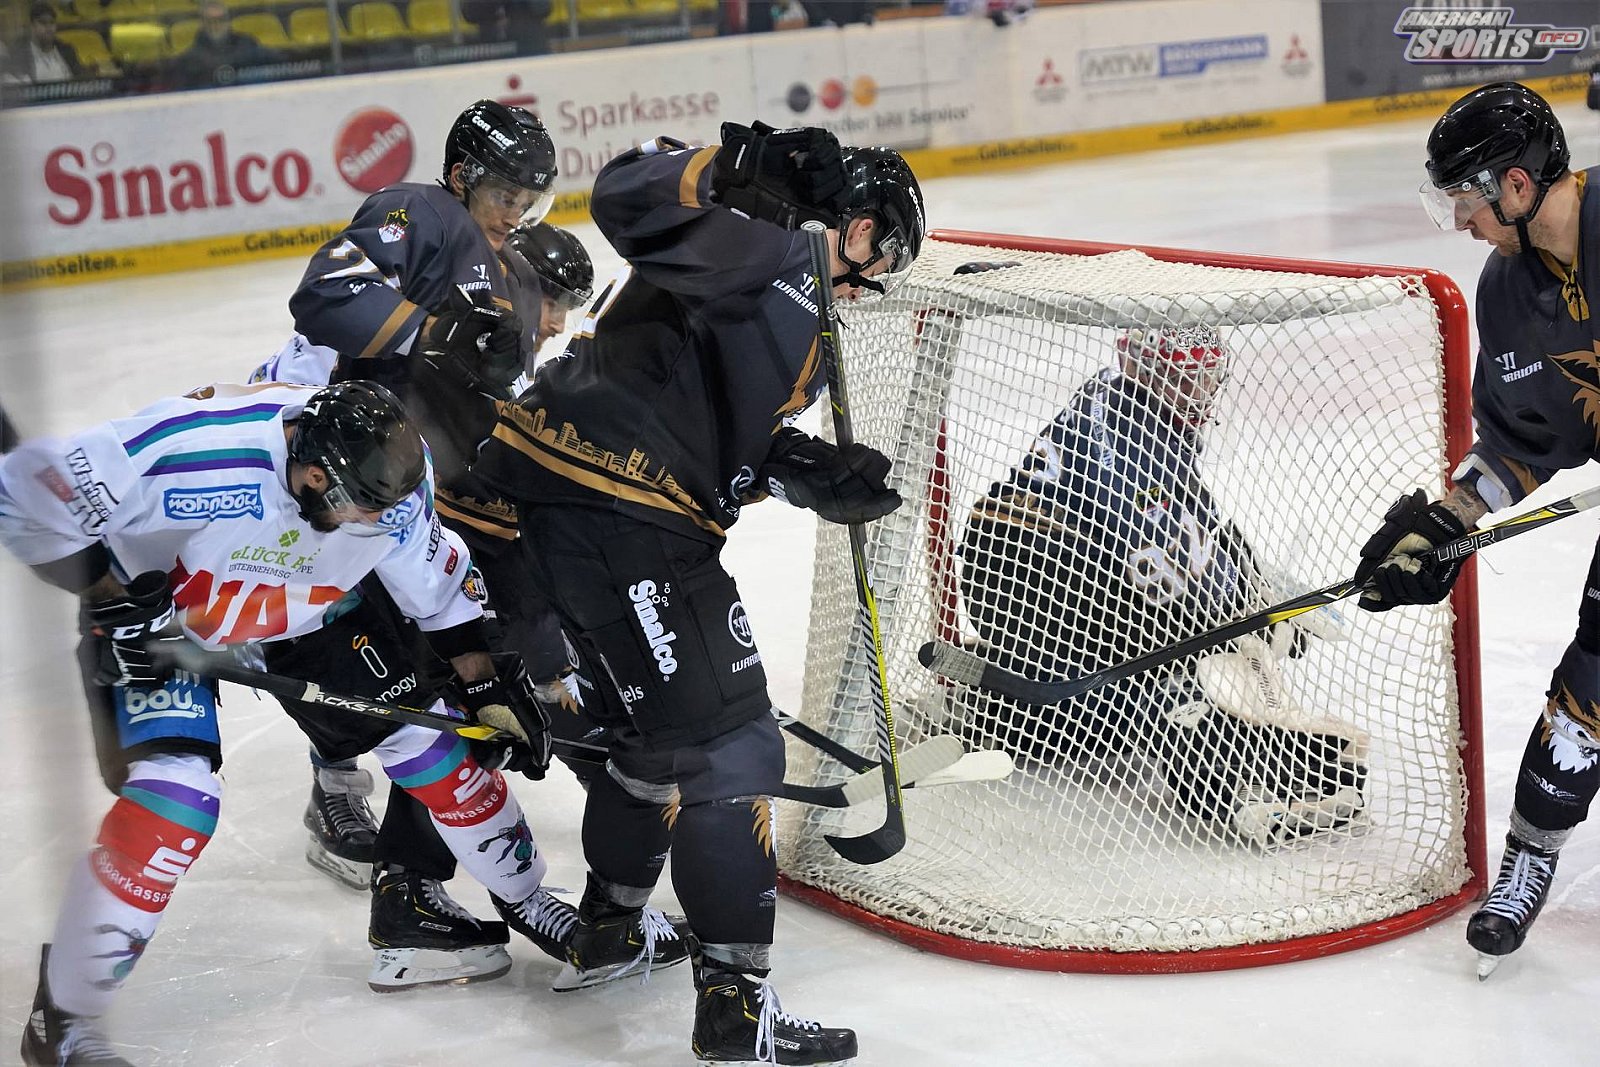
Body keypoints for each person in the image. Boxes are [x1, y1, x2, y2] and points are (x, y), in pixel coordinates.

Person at [473, 122, 923, 1064]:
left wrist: (808, 471)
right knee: (732, 744)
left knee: (650, 745)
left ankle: (608, 928)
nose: (873, 281)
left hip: (561, 511)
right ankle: (733, 1006)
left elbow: (716, 441)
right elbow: (625, 197)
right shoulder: (768, 247)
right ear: (854, 224)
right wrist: (741, 161)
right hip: (622, 519)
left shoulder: (787, 300)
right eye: (880, 254)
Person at [0, 380, 559, 1064]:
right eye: (361, 510)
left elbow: (437, 590)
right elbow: (24, 494)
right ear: (315, 475)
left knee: (435, 739)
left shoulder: (394, 483)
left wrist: (485, 681)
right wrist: (110, 597)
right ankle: (61, 1020)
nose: (377, 522)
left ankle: (531, 899)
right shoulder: (192, 451)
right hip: (161, 624)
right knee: (175, 805)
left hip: (303, 609)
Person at [248, 103, 656, 991]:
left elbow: (490, 418)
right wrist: (431, 333)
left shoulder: (511, 279)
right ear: (464, 173)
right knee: (418, 702)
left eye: (530, 198)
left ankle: (417, 894)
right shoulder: (425, 212)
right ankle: (405, 869)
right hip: (346, 512)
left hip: (412, 519)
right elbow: (324, 298)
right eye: (505, 191)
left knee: (456, 689)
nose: (516, 210)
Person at [958, 320, 1367, 847]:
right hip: (1037, 575)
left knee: (1101, 712)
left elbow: (1196, 524)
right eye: (1180, 378)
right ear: (1138, 366)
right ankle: (1237, 786)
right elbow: (1162, 565)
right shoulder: (1128, 440)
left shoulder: (1121, 400)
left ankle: (999, 708)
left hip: (1030, 568)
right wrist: (1247, 612)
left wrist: (1251, 583)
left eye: (1206, 376)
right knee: (1189, 657)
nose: (1197, 392)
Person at [1358, 81, 1597, 977]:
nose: (1462, 223)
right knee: (1595, 675)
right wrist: (1444, 524)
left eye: (1469, 200)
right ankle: (1529, 858)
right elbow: (1519, 443)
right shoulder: (1506, 292)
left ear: (1519, 186)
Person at [3, 3, 84, 84]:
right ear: (32, 26)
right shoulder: (18, 54)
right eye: (43, 23)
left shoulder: (67, 51)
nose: (49, 28)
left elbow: (81, 78)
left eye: (52, 23)